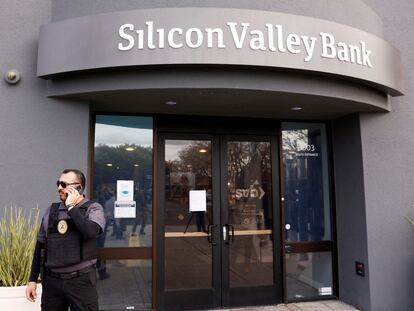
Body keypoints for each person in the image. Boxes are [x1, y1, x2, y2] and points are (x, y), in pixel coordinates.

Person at [26, 169, 106, 311]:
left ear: (79, 187)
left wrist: (71, 207)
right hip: (52, 283)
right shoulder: (51, 210)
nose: (59, 188)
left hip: (80, 282)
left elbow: (91, 231)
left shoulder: (93, 209)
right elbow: (40, 246)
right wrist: (32, 280)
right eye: (58, 183)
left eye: (63, 184)